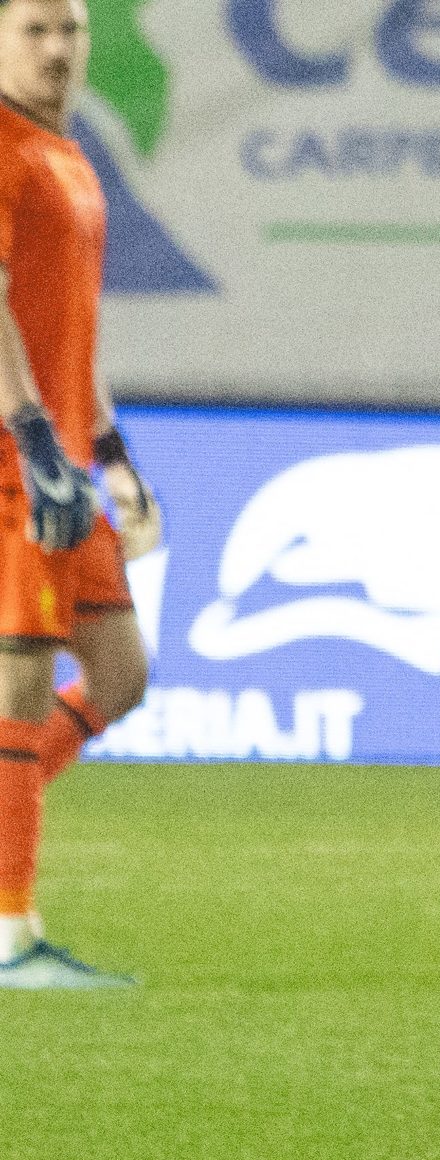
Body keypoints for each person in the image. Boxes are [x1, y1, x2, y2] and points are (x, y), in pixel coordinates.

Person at [0, 0, 156, 990]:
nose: (58, 47)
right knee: (17, 685)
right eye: (34, 30)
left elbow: (68, 324)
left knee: (119, 674)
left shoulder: (68, 154)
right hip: (17, 465)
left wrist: (110, 449)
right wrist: (26, 430)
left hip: (64, 462)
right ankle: (9, 935)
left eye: (71, 29)